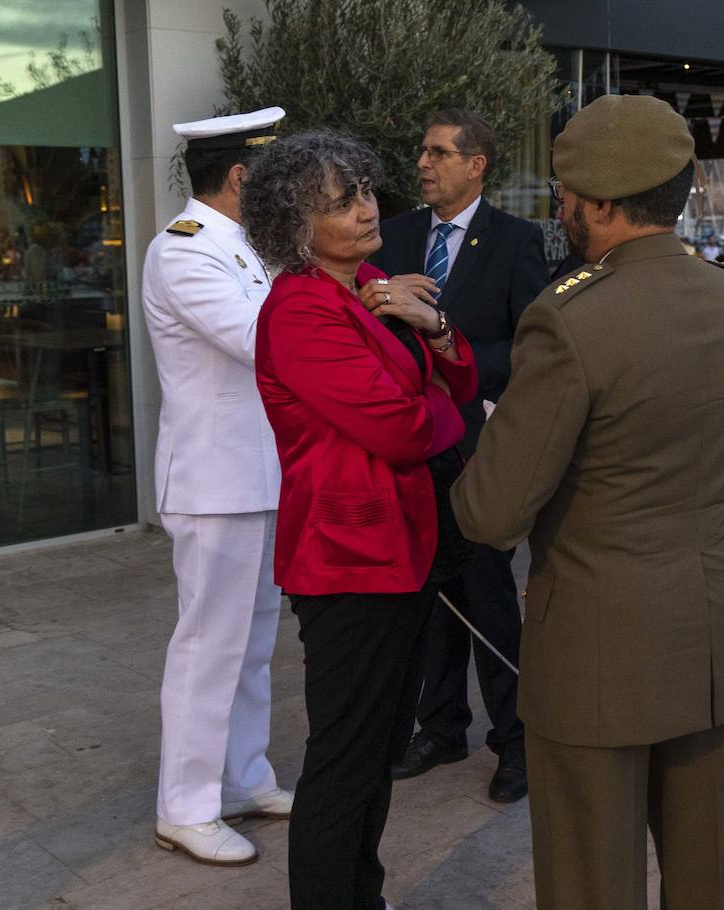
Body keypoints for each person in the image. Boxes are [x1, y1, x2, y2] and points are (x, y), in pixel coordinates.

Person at [450, 94, 724, 910]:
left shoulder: (568, 320)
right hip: (711, 626)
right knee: (706, 876)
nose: (559, 208)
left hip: (598, 637)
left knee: (593, 878)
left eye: (563, 194)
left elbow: (491, 512)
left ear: (597, 204)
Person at [242, 130, 479, 910]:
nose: (367, 210)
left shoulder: (373, 283)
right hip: (346, 559)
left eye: (366, 191)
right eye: (340, 203)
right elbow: (406, 430)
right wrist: (439, 404)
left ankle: (361, 898)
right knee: (344, 762)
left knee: (376, 753)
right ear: (294, 225)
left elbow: (461, 376)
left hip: (403, 549)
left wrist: (434, 329)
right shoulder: (299, 311)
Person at [370, 109, 547, 803]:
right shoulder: (398, 236)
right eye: (421, 150)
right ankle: (441, 726)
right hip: (412, 446)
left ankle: (517, 740)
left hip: (477, 447)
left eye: (439, 152)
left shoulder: (516, 240)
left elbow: (531, 343)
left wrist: (455, 359)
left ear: (477, 164)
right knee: (429, 594)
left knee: (487, 594)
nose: (423, 163)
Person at [142, 106, 292, 867]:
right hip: (214, 480)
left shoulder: (248, 245)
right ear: (240, 177)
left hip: (259, 474)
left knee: (253, 644)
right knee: (208, 647)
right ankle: (186, 807)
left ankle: (242, 776)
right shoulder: (184, 251)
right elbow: (257, 339)